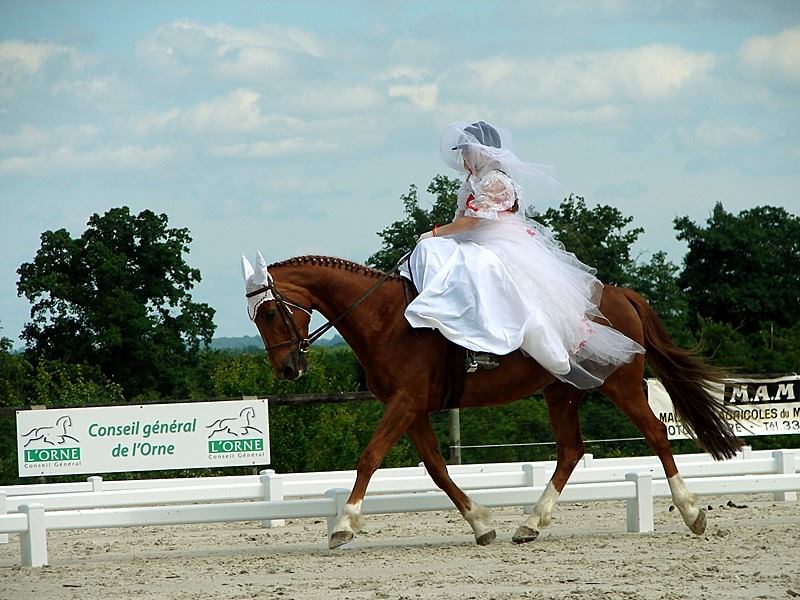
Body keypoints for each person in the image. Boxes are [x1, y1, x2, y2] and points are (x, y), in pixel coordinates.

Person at [400, 120, 644, 389]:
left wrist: (433, 232)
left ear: (484, 151)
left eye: (468, 151)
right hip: (473, 239)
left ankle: (493, 347)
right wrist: (437, 238)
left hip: (499, 241)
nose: (465, 157)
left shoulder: (496, 181)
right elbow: (460, 221)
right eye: (464, 152)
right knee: (436, 255)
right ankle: (451, 331)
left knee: (484, 271)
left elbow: (474, 222)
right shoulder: (472, 182)